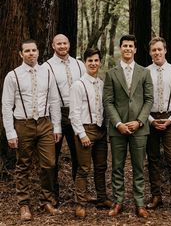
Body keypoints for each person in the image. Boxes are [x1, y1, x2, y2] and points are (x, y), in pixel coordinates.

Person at [2, 39, 62, 221]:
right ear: (21, 54)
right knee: (23, 165)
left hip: (44, 123)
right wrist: (10, 132)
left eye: (34, 50)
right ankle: (24, 204)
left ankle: (47, 200)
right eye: (27, 51)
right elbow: (6, 106)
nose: (31, 53)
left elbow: (54, 101)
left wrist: (57, 126)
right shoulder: (13, 76)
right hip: (23, 124)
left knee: (49, 163)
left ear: (38, 52)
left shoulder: (47, 73)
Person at [103, 34, 153, 218]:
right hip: (118, 129)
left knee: (139, 167)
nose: (128, 49)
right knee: (117, 167)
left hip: (139, 128)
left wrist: (139, 121)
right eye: (125, 46)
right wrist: (118, 124)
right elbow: (108, 102)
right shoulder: (111, 73)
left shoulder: (144, 72)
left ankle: (140, 204)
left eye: (131, 46)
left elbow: (149, 100)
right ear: (120, 48)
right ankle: (118, 202)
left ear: (135, 49)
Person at [69, 48, 113, 218]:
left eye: (96, 60)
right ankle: (80, 203)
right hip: (86, 130)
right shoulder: (78, 85)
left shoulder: (102, 84)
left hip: (101, 130)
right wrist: (81, 134)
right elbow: (74, 113)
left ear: (100, 62)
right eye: (90, 61)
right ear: (85, 63)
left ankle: (102, 198)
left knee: (101, 167)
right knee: (83, 168)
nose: (93, 63)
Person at [42, 34, 86, 200]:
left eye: (65, 43)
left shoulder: (79, 64)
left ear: (69, 44)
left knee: (79, 155)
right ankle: (52, 195)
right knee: (52, 158)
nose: (62, 46)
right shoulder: (46, 67)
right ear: (53, 46)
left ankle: (79, 194)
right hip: (56, 114)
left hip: (77, 114)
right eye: (58, 43)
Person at [146, 37, 171, 215]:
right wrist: (150, 120)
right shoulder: (145, 72)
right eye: (154, 50)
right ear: (150, 53)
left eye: (159, 49)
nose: (157, 52)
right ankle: (156, 196)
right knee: (153, 159)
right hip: (151, 119)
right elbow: (141, 100)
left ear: (165, 50)